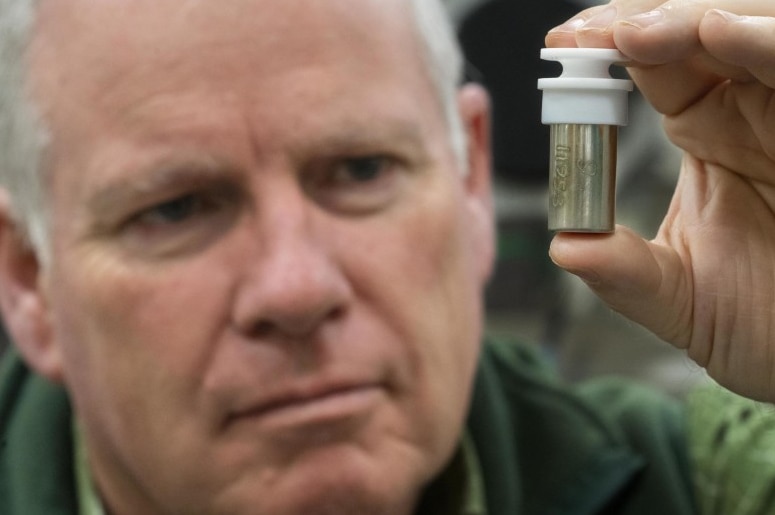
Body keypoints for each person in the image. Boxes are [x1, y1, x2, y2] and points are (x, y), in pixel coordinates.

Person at [1, 0, 774, 513]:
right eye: (174, 208)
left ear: (470, 178)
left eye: (361, 170)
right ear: (28, 277)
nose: (298, 288)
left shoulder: (700, 480)